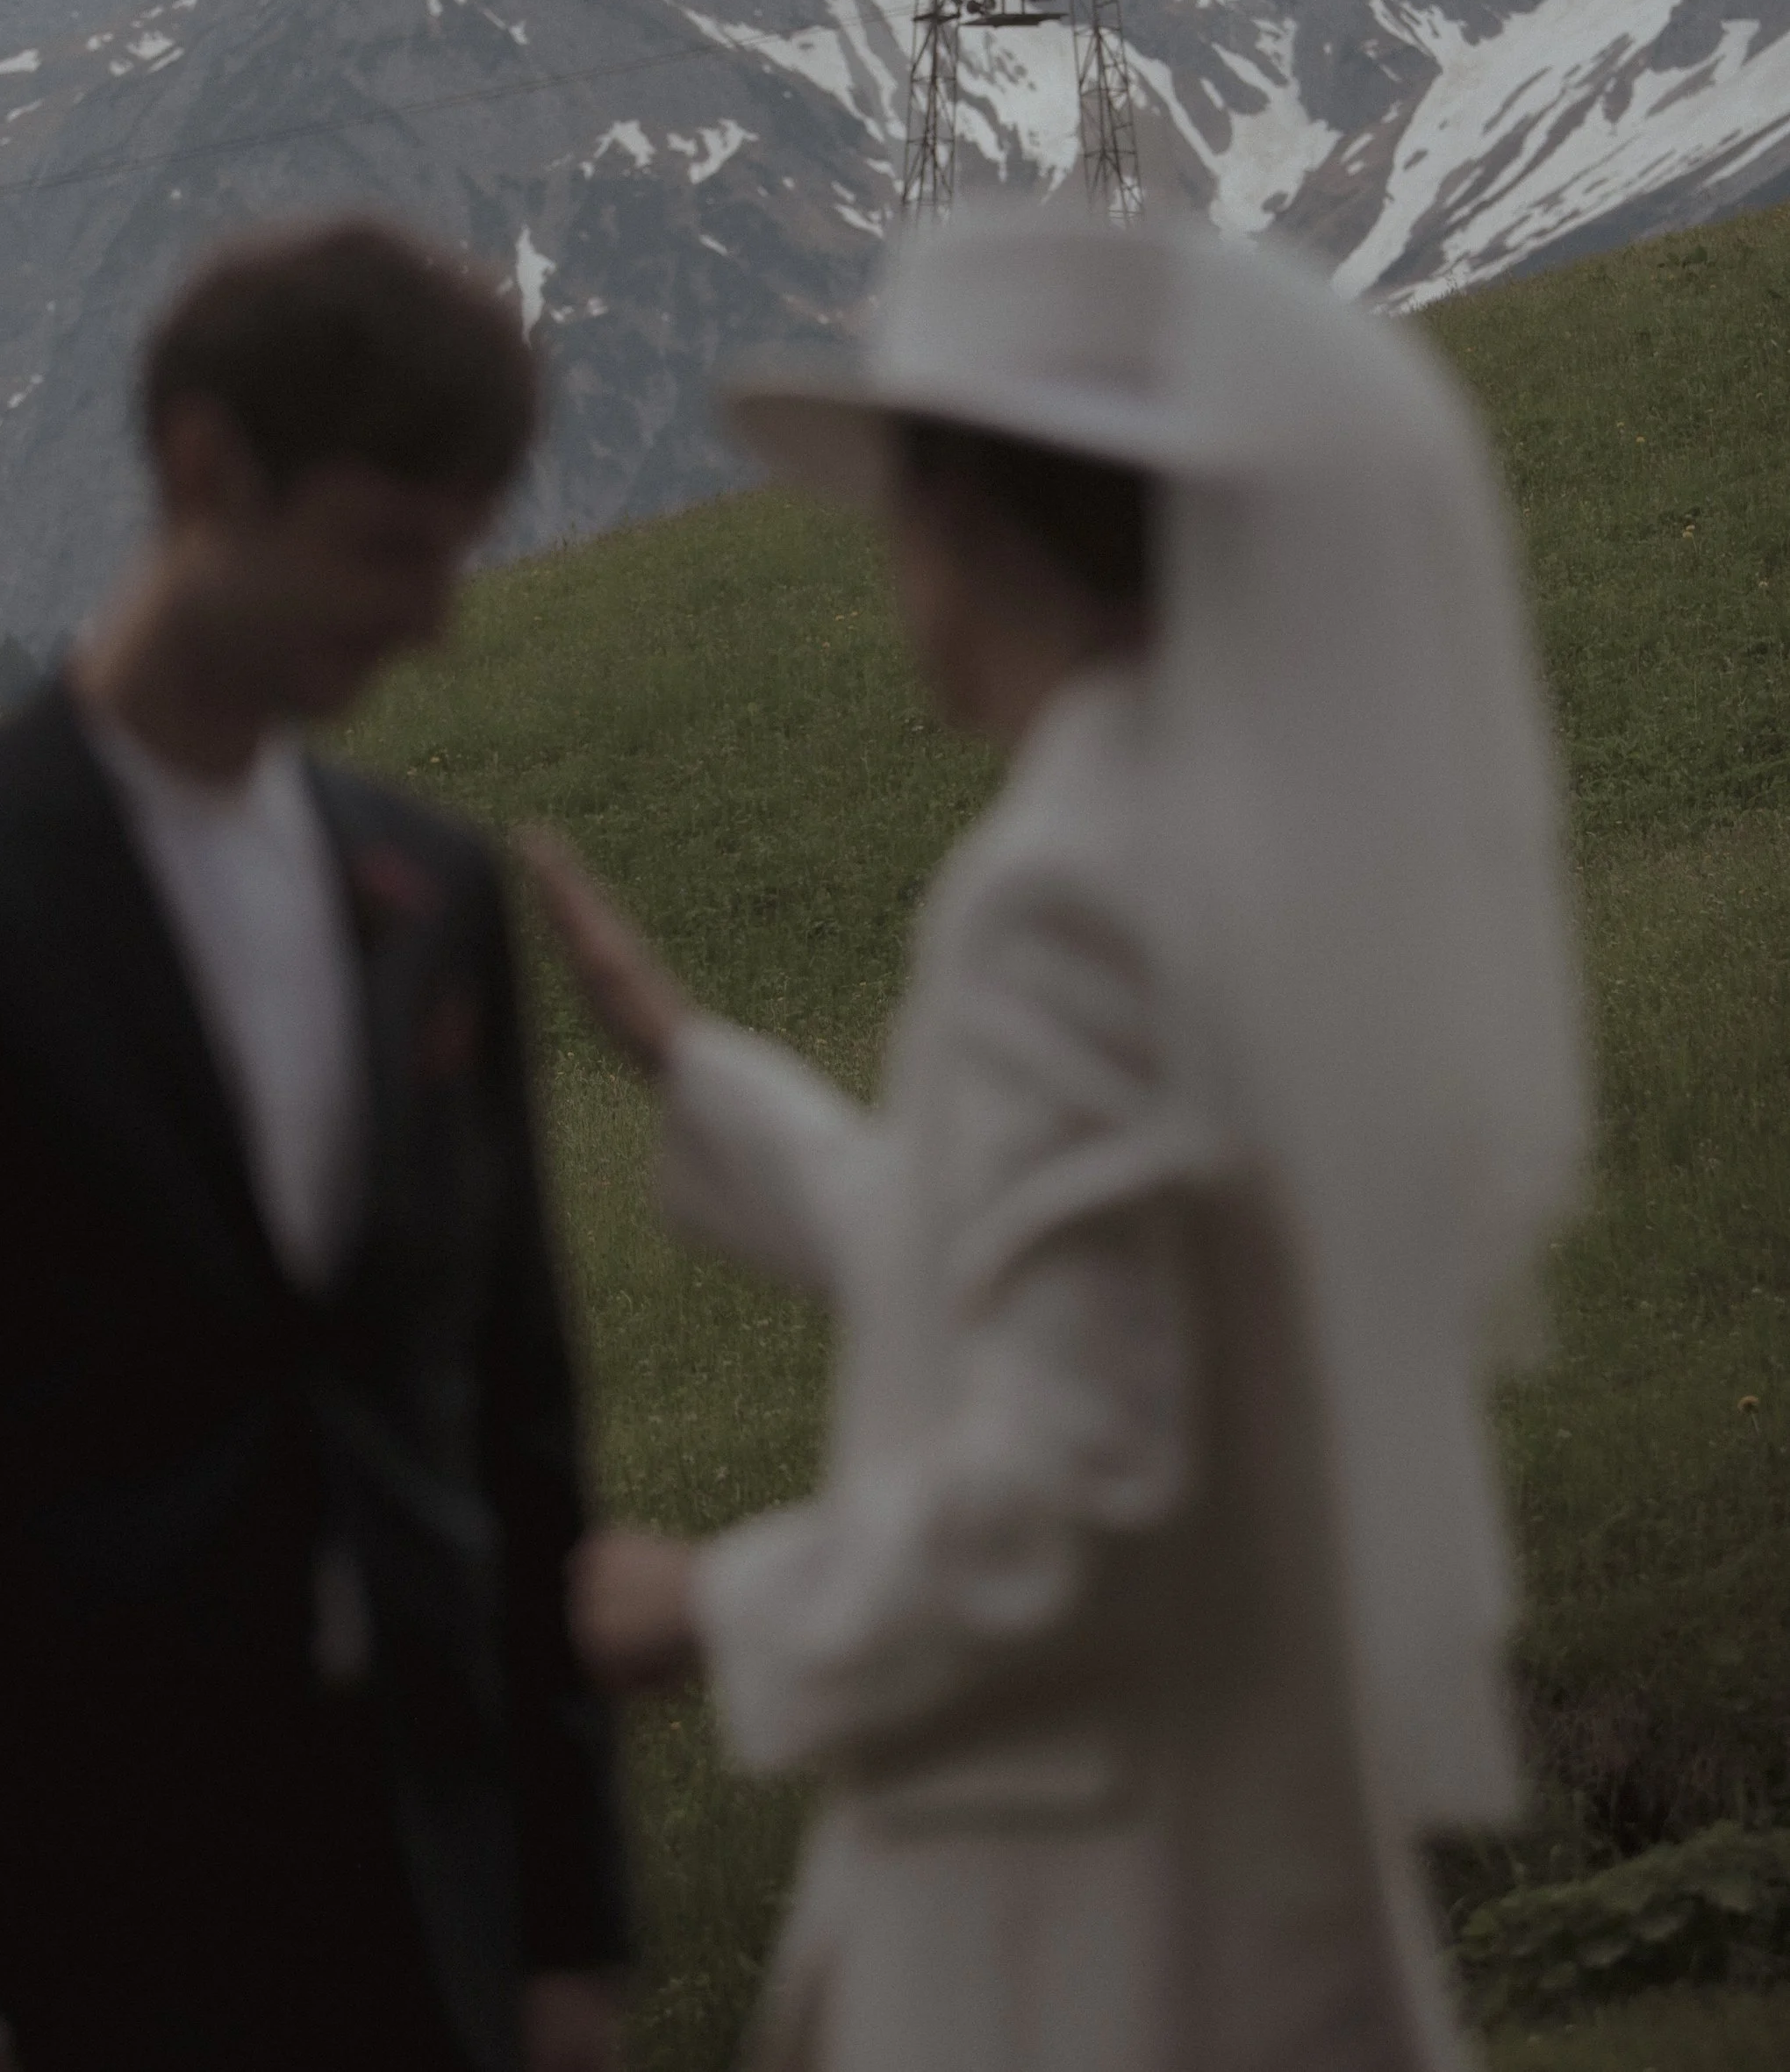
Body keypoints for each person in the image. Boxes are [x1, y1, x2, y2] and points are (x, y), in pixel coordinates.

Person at [523, 203, 1586, 2072]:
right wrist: (693, 1066)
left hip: (1091, 1944)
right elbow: (1016, 1271)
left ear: (968, 522)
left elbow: (1088, 1477)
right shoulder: (1221, 858)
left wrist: (712, 1600)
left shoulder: (1062, 896)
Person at [0, 218, 630, 2072]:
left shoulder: (427, 896)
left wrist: (564, 1937)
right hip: (66, 1923)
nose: (433, 621)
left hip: (418, 1911)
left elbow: (514, 1435)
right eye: (391, 548)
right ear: (208, 468)